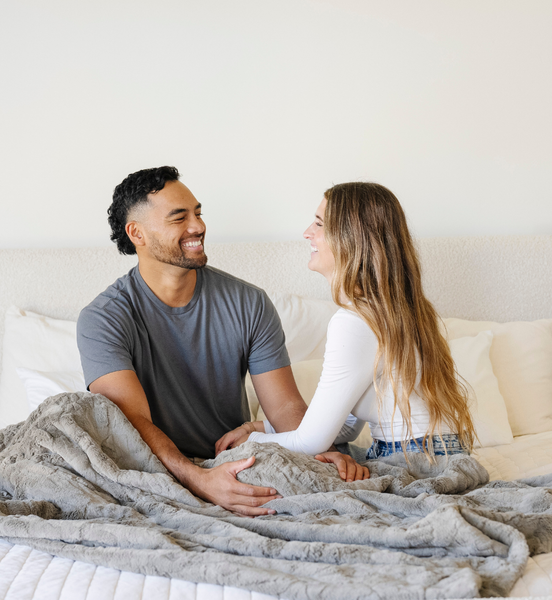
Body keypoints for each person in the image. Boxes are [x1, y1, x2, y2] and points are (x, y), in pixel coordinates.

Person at [77, 167, 364, 518]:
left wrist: (320, 447)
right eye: (179, 218)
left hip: (236, 462)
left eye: (197, 213)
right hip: (156, 470)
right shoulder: (103, 319)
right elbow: (132, 424)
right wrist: (199, 479)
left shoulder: (250, 303)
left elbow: (285, 407)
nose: (197, 226)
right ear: (137, 233)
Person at [216, 182, 476, 460]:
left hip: (411, 458)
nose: (307, 233)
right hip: (442, 453)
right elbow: (347, 426)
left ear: (350, 239)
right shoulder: (397, 311)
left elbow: (311, 442)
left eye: (319, 224)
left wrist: (250, 441)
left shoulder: (353, 321)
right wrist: (262, 428)